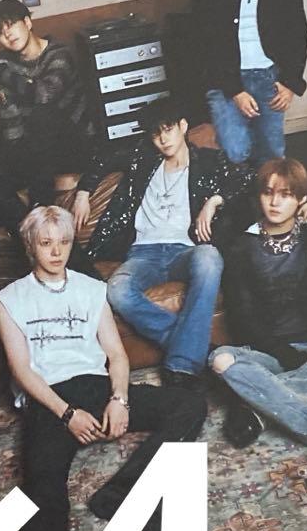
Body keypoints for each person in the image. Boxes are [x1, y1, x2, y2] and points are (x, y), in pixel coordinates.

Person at [0, 206, 206, 531]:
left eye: (64, 242)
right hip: (50, 397)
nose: (56, 252)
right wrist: (66, 414)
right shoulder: (9, 299)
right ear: (30, 246)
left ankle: (122, 494)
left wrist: (119, 399)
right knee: (42, 471)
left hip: (95, 385)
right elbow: (22, 371)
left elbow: (117, 355)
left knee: (188, 404)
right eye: (46, 243)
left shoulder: (91, 289)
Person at [72, 97, 252, 391]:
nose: (163, 139)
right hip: (144, 254)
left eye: (168, 130)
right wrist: (83, 192)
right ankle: (193, 352)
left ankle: (182, 361)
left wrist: (214, 201)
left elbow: (247, 175)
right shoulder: (142, 159)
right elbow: (102, 157)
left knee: (209, 257)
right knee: (116, 289)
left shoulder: (208, 161)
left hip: (185, 251)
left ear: (183, 126)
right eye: (156, 134)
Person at [209, 158, 307, 476]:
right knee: (220, 359)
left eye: (285, 194)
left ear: (300, 200)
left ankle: (257, 409)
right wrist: (285, 355)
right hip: (270, 354)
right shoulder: (241, 247)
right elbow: (242, 317)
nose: (274, 202)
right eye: (268, 193)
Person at [190, 0, 307, 167]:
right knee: (235, 151)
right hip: (225, 80)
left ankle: (267, 194)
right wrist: (235, 90)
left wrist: (290, 82)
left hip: (269, 76)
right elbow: (203, 46)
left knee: (272, 154)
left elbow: (297, 34)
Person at [0, 0, 97, 238]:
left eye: (11, 25)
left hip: (73, 142)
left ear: (28, 22)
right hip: (35, 148)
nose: (7, 35)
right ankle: (28, 231)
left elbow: (43, 95)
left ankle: (40, 205)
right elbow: (10, 114)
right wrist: (16, 156)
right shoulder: (3, 63)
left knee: (42, 115)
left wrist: (6, 77)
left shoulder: (58, 54)